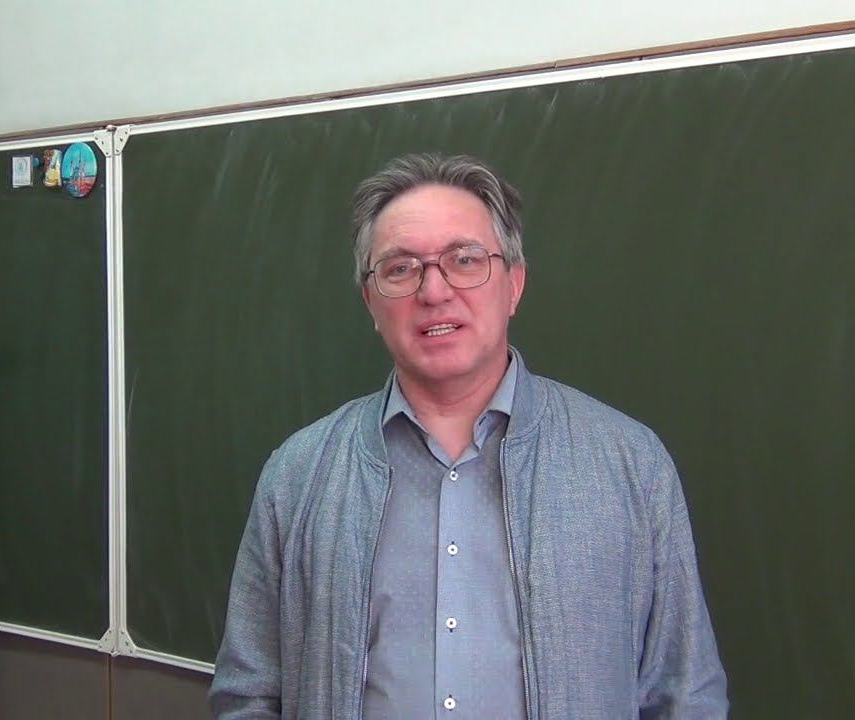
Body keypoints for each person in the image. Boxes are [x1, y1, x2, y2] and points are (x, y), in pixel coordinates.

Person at [210, 153, 728, 718]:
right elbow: (248, 694)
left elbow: (685, 696)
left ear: (514, 284)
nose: (434, 291)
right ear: (370, 302)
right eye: (400, 269)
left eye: (464, 260)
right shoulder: (298, 476)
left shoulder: (630, 464)